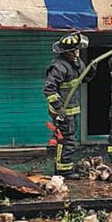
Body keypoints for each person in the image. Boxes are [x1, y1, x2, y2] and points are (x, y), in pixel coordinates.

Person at [42, 32, 97, 178]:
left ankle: (64, 167)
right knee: (66, 140)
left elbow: (83, 80)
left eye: (78, 49)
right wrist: (59, 108)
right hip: (62, 110)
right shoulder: (58, 67)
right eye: (74, 50)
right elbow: (49, 89)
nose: (77, 52)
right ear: (67, 52)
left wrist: (91, 70)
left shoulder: (77, 63)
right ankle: (63, 170)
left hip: (72, 108)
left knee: (69, 138)